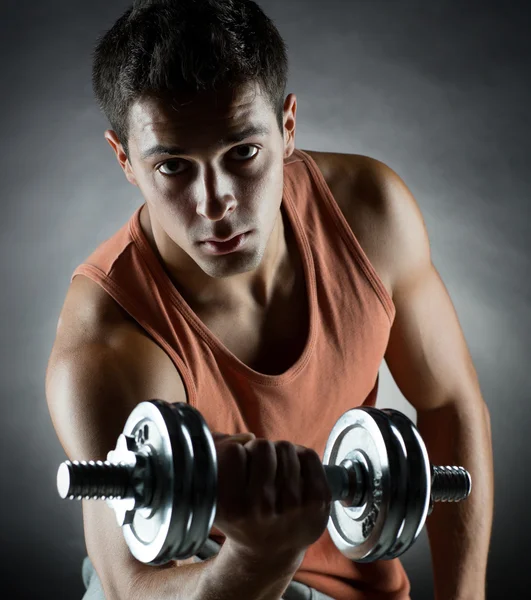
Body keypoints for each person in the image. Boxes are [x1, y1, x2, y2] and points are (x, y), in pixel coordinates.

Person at [45, 1, 493, 599]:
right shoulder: (109, 341)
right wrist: (261, 555)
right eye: (174, 166)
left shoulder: (368, 216)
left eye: (242, 153)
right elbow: (134, 587)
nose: (215, 202)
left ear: (287, 126)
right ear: (125, 159)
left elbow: (447, 403)